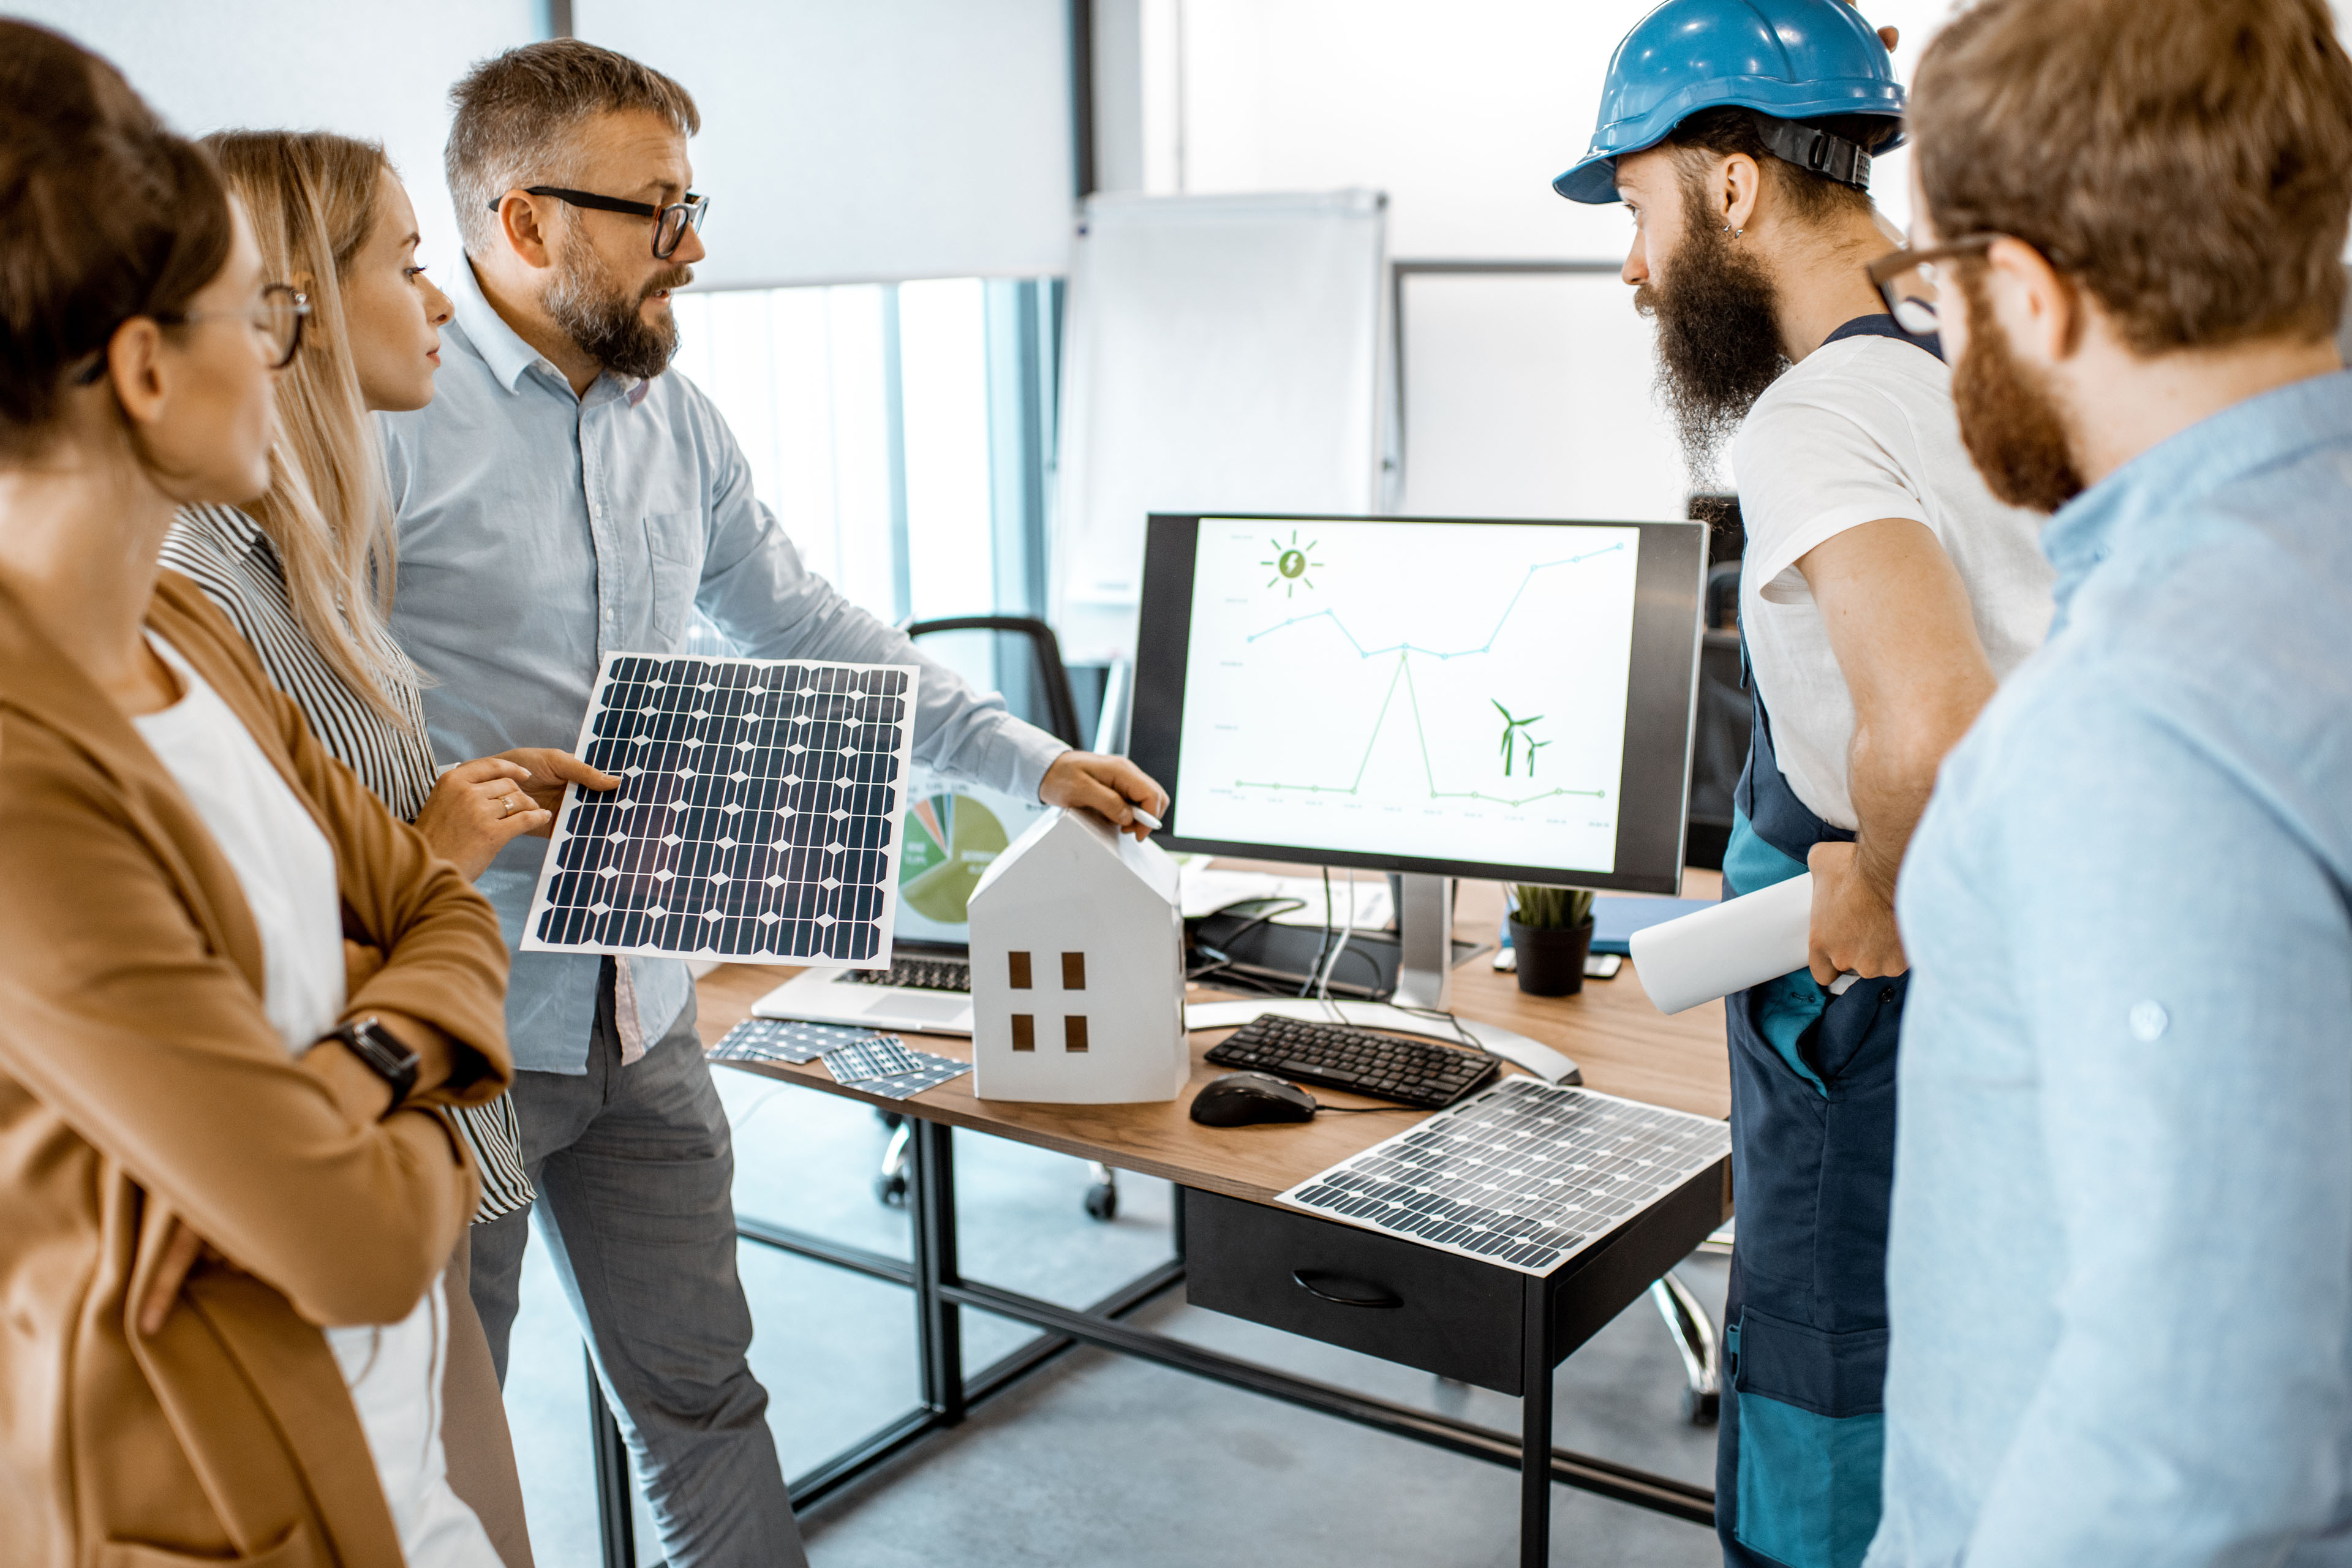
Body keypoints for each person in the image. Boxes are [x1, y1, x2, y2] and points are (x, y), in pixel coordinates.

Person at [382, 38, 1170, 1564]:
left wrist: (1022, 755)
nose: (694, 245)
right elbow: (301, 712)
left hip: (645, 1009)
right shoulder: (382, 428)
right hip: (464, 1023)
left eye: (692, 202)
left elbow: (810, 628)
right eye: (654, 209)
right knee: (436, 1449)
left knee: (704, 1402)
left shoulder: (675, 424)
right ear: (523, 222)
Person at [0, 21, 514, 1566]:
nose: (279, 355)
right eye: (261, 313)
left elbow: (435, 896)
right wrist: (427, 1047)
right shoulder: (25, 779)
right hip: (224, 1505)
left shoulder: (192, 638)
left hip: (390, 1453)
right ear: (148, 369)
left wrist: (340, 1071)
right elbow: (349, 1242)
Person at [1551, 4, 2054, 1562]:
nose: (1632, 268)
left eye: (1636, 209)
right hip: (2024, 956)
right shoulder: (2001, 337)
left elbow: (1935, 719)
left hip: (1874, 991)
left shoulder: (1818, 409)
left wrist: (1879, 878)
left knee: (1834, 1374)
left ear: (1729, 187)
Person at [1866, 0, 2352, 1559]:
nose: (1937, 334)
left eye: (1935, 282)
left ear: (2027, 292)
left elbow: (2196, 1432)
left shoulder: (2138, 722)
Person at [158, 128, 616, 1568]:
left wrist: (447, 802)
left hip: (413, 1145)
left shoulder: (296, 556)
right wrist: (437, 852)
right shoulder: (194, 589)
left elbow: (337, 840)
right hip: (355, 1172)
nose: (441, 302)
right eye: (411, 265)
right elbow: (270, 940)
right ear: (285, 305)